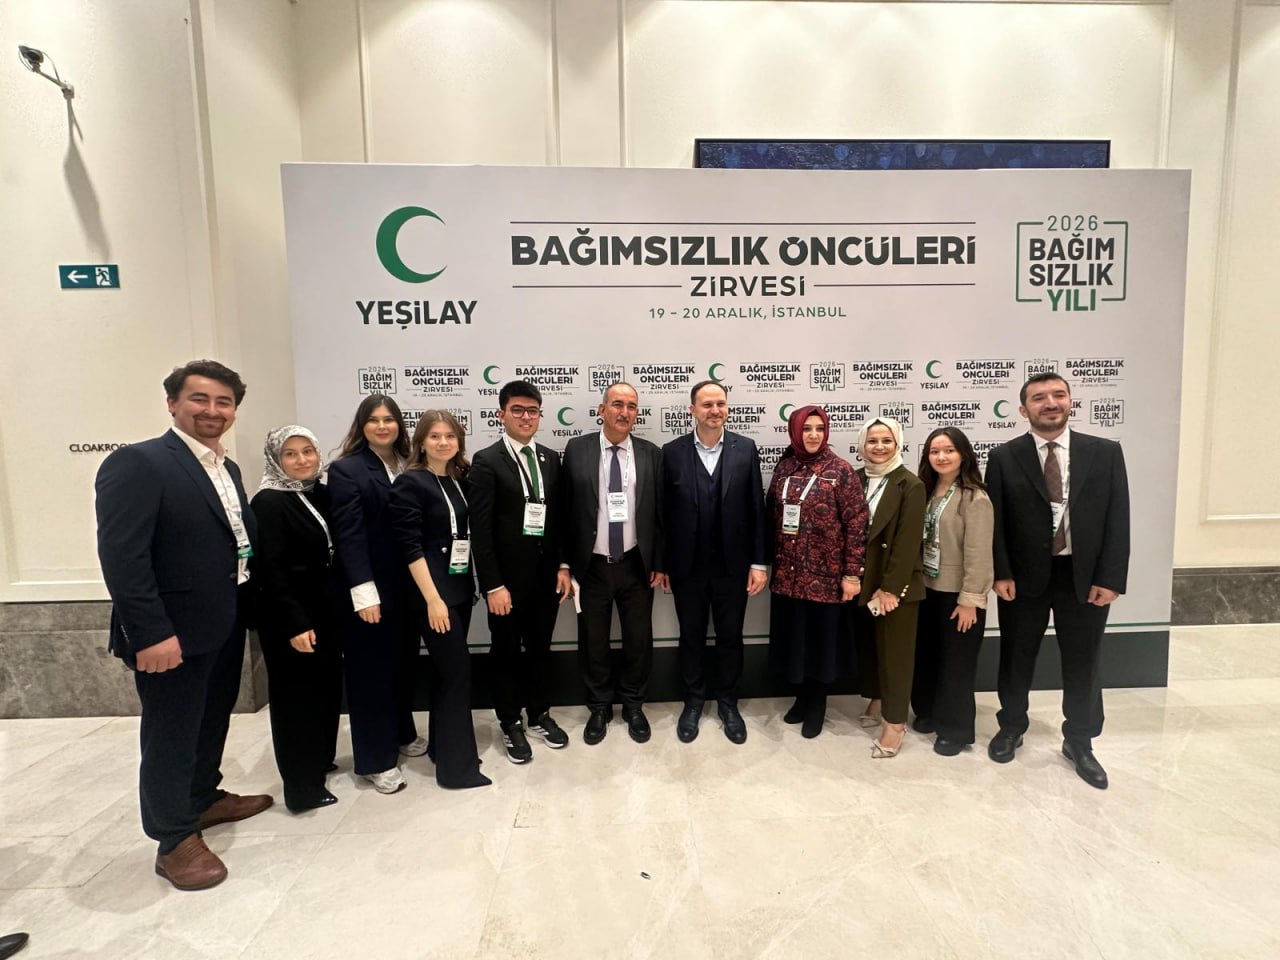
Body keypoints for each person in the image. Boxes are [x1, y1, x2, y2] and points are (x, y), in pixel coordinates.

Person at [95, 360, 272, 891]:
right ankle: (173, 838)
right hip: (170, 632)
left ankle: (203, 798)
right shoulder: (140, 463)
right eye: (200, 399)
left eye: (223, 402)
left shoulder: (226, 468)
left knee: (210, 718)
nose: (212, 410)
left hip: (222, 620)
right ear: (172, 403)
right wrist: (149, 632)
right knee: (171, 732)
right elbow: (123, 557)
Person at [986, 373, 1130, 789]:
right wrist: (1001, 572)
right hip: (1023, 579)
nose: (1050, 403)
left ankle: (1080, 740)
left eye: (1058, 395)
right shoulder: (1004, 456)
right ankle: (1011, 726)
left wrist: (1110, 578)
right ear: (1023, 409)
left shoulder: (1104, 453)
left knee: (1083, 662)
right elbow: (996, 522)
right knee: (1016, 657)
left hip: (1083, 578)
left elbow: (1118, 517)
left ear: (1070, 401)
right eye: (1039, 397)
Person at [470, 380, 573, 763]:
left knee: (540, 649)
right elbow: (481, 531)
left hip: (546, 578)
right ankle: (510, 721)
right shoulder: (487, 461)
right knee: (507, 652)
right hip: (506, 584)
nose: (526, 417)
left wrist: (563, 566)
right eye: (517, 410)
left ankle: (539, 714)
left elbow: (558, 520)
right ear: (502, 414)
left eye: (532, 411)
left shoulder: (549, 458)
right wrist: (493, 584)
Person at [661, 379, 768, 744]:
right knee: (690, 637)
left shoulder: (745, 448)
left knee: (730, 637)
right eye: (707, 404)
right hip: (686, 567)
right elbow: (662, 514)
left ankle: (728, 703)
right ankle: (693, 701)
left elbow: (756, 508)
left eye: (720, 403)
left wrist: (759, 563)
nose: (715, 410)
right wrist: (663, 563)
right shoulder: (671, 452)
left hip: (732, 567)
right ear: (692, 410)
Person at [389, 410, 491, 788]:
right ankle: (456, 770)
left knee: (446, 674)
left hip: (459, 590)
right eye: (435, 436)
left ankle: (441, 749)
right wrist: (433, 599)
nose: (443, 442)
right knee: (456, 676)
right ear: (421, 442)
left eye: (450, 436)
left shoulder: (459, 479)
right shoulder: (410, 483)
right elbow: (410, 547)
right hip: (433, 597)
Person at [559, 382, 665, 745]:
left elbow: (660, 514)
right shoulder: (577, 450)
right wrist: (564, 563)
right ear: (601, 410)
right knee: (593, 641)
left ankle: (634, 705)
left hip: (636, 564)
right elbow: (565, 511)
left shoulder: (651, 453)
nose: (625, 412)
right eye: (617, 404)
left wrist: (660, 561)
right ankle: (599, 707)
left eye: (632, 406)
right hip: (591, 566)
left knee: (638, 640)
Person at [328, 395, 422, 795]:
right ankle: (375, 760)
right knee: (371, 674)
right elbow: (348, 535)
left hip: (409, 585)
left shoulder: (409, 464)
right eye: (374, 420)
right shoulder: (347, 470)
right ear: (362, 426)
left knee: (402, 664)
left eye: (389, 419)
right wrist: (364, 592)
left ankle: (402, 733)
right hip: (371, 589)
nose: (382, 426)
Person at [250, 425, 343, 812]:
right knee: (296, 700)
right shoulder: (269, 503)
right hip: (291, 619)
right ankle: (301, 786)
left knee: (324, 691)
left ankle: (318, 760)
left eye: (308, 451)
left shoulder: (319, 493)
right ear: (276, 459)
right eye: (290, 454)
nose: (302, 460)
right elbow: (271, 571)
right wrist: (295, 623)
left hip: (326, 612)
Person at [765, 405, 868, 738]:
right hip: (789, 576)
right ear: (795, 432)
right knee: (796, 642)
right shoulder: (784, 468)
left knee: (821, 644)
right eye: (806, 429)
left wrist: (852, 574)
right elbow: (771, 514)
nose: (813, 435)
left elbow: (857, 524)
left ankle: (817, 705)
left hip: (825, 577)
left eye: (819, 429)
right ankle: (801, 698)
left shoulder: (840, 470)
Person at [909, 427, 994, 756]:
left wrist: (970, 600)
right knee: (927, 656)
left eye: (949, 451)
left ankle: (955, 730)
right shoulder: (925, 491)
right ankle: (928, 711)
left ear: (963, 455)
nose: (941, 457)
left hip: (958, 596)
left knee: (956, 664)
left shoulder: (975, 498)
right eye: (934, 451)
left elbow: (979, 554)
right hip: (926, 589)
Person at [851, 416, 926, 759]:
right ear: (861, 445)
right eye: (872, 441)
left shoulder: (910, 484)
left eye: (886, 441)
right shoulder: (855, 478)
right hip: (862, 581)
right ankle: (878, 699)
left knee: (895, 656)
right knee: (870, 647)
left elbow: (908, 542)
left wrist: (891, 588)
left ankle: (895, 724)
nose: (879, 447)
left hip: (895, 585)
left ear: (898, 444)